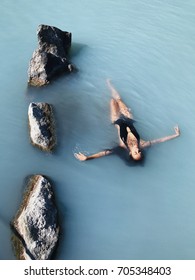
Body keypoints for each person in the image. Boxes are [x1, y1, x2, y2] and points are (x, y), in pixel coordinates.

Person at [74, 79, 180, 161]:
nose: (138, 151)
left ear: (130, 153)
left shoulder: (122, 146)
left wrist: (88, 157)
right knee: (119, 99)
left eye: (135, 153)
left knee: (112, 102)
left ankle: (107, 87)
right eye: (140, 152)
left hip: (117, 121)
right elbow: (160, 140)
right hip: (129, 119)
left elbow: (105, 153)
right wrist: (175, 135)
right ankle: (109, 83)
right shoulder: (143, 144)